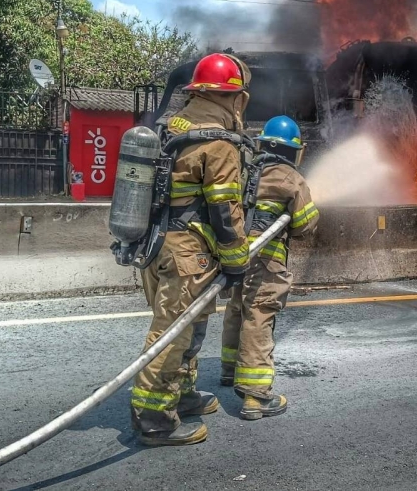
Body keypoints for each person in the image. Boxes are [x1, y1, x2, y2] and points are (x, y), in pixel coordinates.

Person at [131, 53, 252, 446]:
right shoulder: (218, 143)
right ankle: (154, 421)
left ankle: (181, 396)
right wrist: (238, 261)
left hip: (156, 245)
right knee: (173, 335)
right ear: (234, 98)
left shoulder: (172, 124)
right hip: (186, 253)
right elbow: (225, 209)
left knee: (191, 328)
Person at [220, 115, 319, 420]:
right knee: (259, 314)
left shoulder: (247, 171)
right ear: (293, 151)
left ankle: (228, 369)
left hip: (236, 255)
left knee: (237, 307)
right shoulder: (291, 179)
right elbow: (305, 225)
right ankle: (255, 396)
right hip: (266, 260)